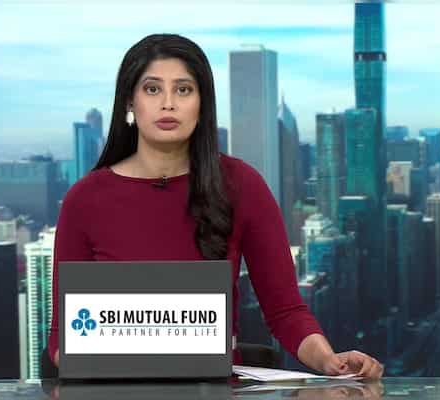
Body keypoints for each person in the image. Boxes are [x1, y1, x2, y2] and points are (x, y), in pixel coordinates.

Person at [47, 33, 384, 380]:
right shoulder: (84, 199)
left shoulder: (242, 184)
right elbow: (60, 340)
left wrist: (329, 360)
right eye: (152, 89)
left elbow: (285, 311)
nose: (168, 103)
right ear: (130, 103)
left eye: (183, 90)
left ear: (202, 103)